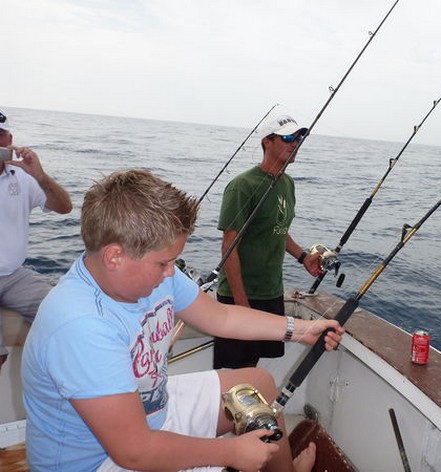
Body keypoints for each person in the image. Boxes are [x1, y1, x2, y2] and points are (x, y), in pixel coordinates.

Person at [21, 169, 344, 472]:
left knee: (259, 385)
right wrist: (232, 453)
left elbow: (222, 317)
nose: (171, 273)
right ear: (114, 256)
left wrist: (301, 330)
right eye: (163, 262)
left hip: (152, 409)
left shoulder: (154, 275)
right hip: (98, 461)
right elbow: (133, 450)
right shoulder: (80, 325)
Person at [214, 114, 322, 369]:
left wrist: (303, 258)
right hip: (241, 296)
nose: (295, 143)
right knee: (235, 372)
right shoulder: (242, 186)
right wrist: (242, 303)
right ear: (267, 142)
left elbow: (279, 230)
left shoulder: (288, 184)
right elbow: (229, 248)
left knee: (255, 364)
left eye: (299, 137)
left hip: (271, 292)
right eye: (287, 138)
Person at [0, 109, 72, 372]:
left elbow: (65, 207)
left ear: (10, 141)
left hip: (15, 275)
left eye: (0, 136)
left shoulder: (23, 178)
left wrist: (40, 176)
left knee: (67, 314)